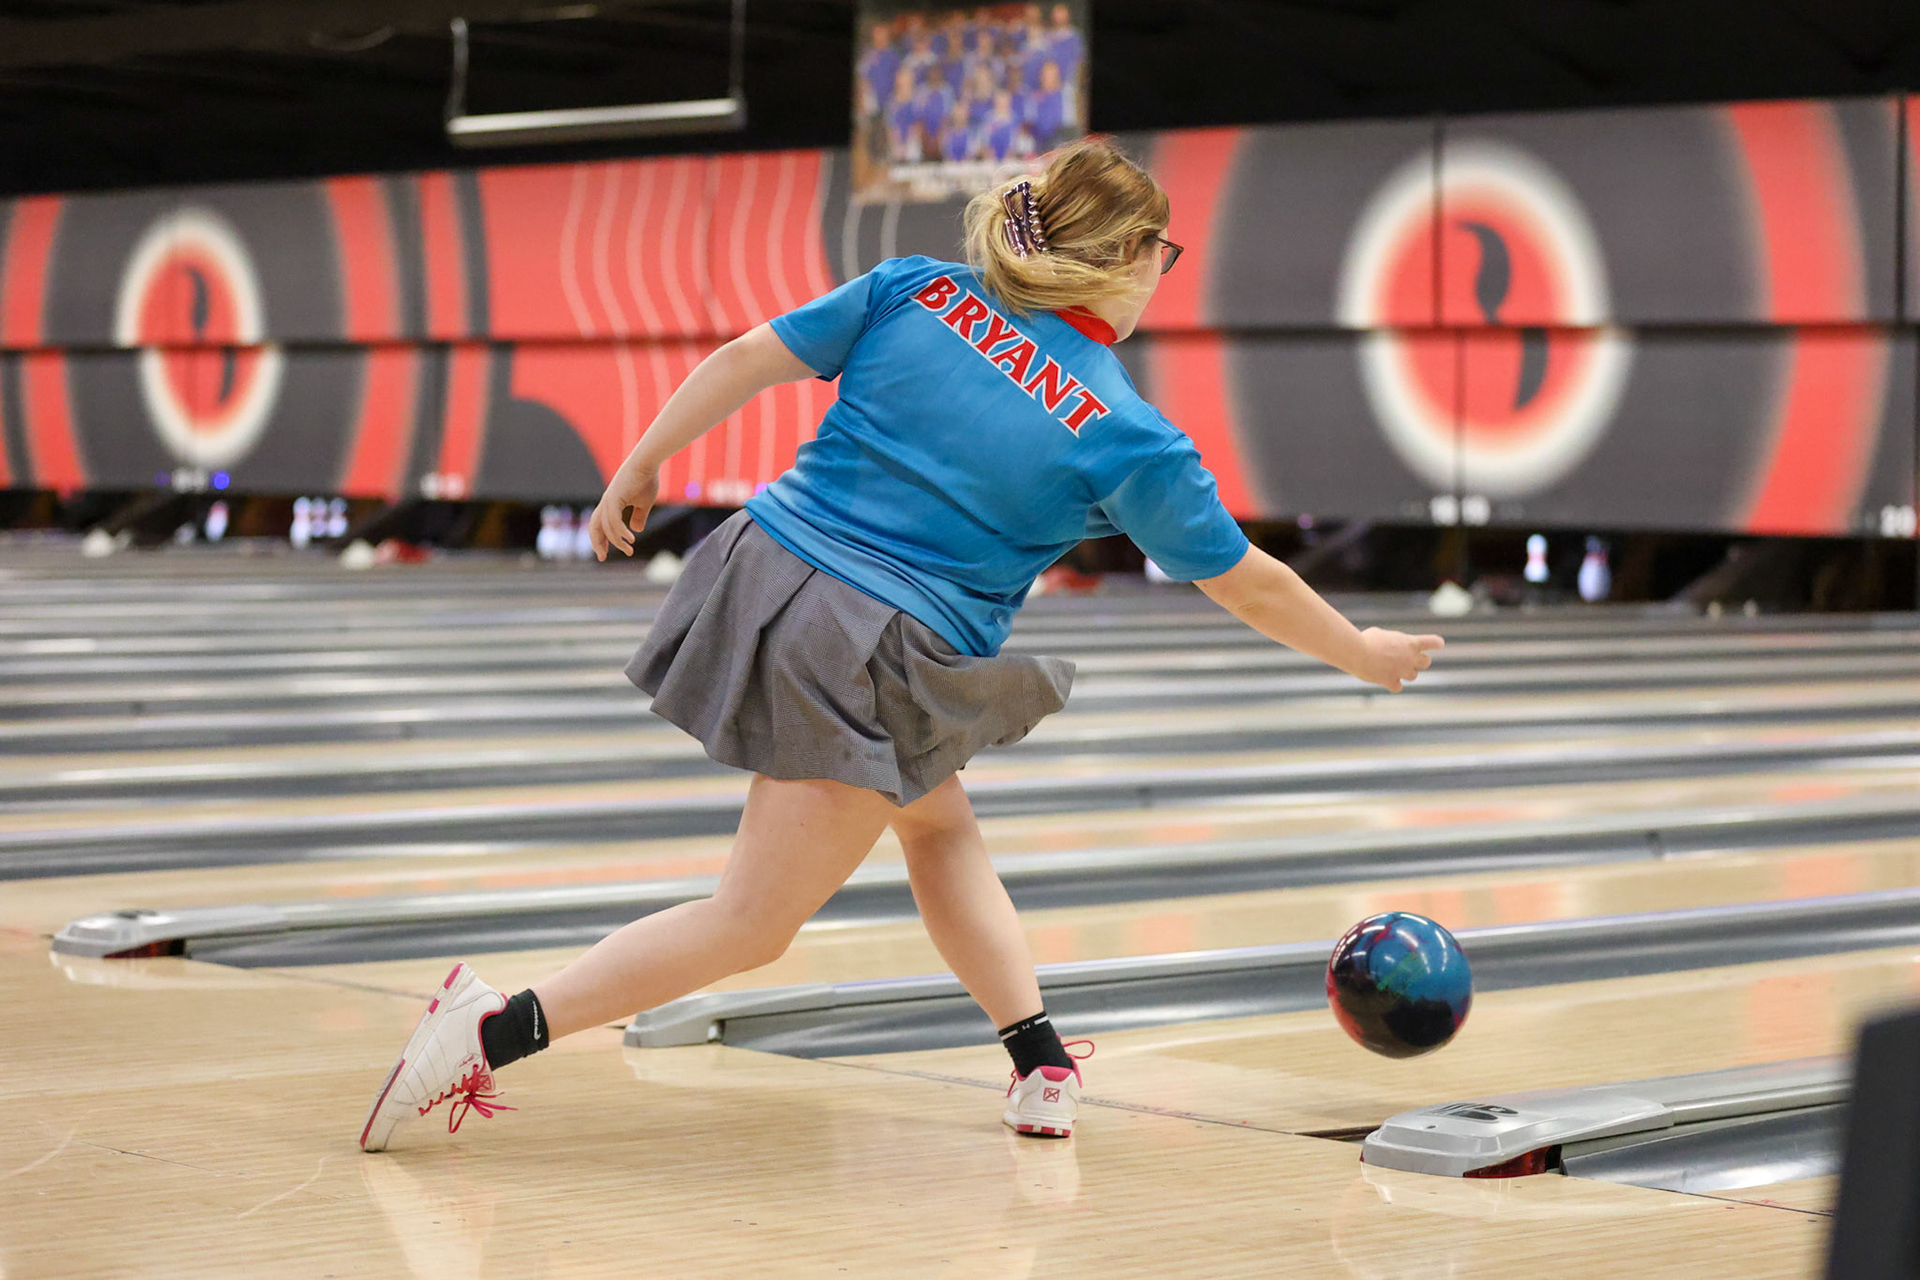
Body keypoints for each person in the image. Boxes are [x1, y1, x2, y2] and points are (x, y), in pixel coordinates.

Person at [358, 137, 1443, 1153]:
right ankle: (485, 1029)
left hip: (766, 570)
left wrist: (641, 462)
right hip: (872, 647)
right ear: (1116, 261)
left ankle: (1040, 1058)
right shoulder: (1125, 430)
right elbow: (1246, 581)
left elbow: (745, 357)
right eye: (1161, 248)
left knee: (938, 824)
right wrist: (1363, 650)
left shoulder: (916, 287)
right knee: (753, 920)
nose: (1165, 266)